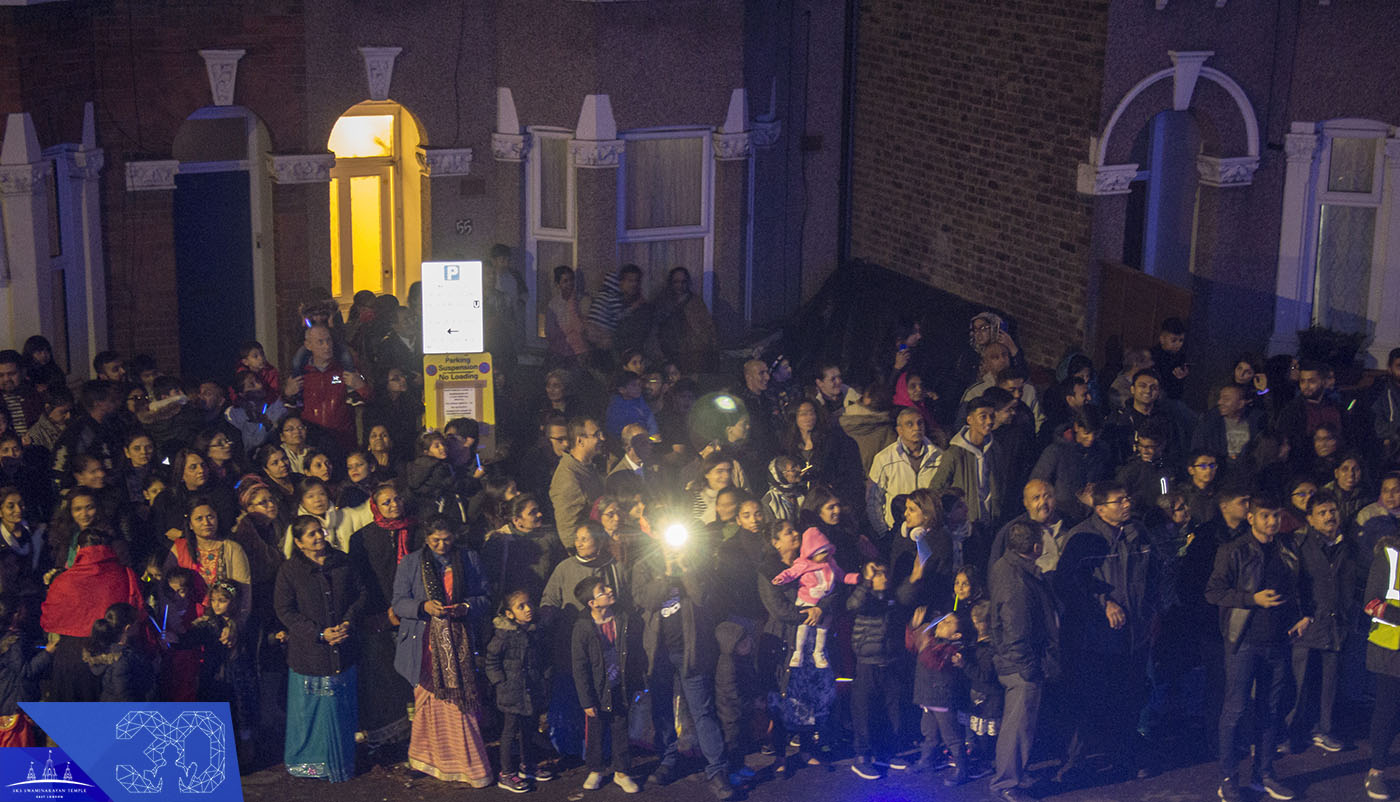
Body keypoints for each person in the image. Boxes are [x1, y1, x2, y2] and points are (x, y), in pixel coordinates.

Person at [1206, 496, 1309, 802]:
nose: (1272, 522)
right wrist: (1252, 599)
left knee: (1270, 709)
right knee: (1235, 709)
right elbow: (1213, 592)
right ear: (1251, 518)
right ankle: (1228, 778)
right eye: (1265, 516)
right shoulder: (1233, 550)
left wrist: (1306, 615)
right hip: (1244, 641)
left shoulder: (1287, 547)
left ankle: (1263, 774)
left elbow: (1300, 586)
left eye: (1276, 516)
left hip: (1278, 639)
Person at [1054, 480, 1157, 780]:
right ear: (1100, 508)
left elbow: (1153, 573)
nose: (1127, 504)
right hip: (1096, 639)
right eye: (1118, 500)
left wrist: (1152, 609)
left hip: (1134, 634)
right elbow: (1067, 583)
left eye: (1127, 498)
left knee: (1130, 698)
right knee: (1091, 701)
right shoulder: (1083, 537)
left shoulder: (1138, 533)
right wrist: (1104, 601)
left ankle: (1125, 757)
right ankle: (1075, 763)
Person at [632, 521, 733, 800]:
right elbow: (646, 601)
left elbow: (703, 598)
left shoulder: (696, 561)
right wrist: (665, 572)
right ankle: (667, 759)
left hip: (690, 650)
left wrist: (686, 568)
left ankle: (717, 769)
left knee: (702, 710)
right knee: (662, 708)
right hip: (657, 652)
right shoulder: (644, 565)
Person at [391, 517, 491, 786]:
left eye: (446, 539)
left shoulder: (468, 559)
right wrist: (424, 607)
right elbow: (399, 604)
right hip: (423, 645)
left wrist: (465, 608)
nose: (441, 545)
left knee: (460, 704)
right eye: (435, 540)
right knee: (426, 706)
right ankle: (425, 760)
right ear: (426, 539)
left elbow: (485, 597)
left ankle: (467, 766)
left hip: (459, 644)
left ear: (454, 537)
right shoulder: (411, 563)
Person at [275, 515, 364, 783]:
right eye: (311, 535)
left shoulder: (343, 562)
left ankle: (340, 763)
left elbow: (361, 594)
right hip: (310, 653)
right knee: (311, 712)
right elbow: (284, 610)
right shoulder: (290, 571)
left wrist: (349, 621)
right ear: (300, 543)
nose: (318, 538)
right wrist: (319, 633)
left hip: (343, 647)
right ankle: (309, 764)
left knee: (339, 709)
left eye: (320, 532)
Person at [988, 520, 1059, 802]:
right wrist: (1030, 668)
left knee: (1020, 724)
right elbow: (1016, 632)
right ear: (1036, 547)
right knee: (1017, 726)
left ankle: (1014, 774)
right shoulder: (1016, 581)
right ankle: (1006, 782)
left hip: (1017, 661)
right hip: (1020, 664)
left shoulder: (1008, 566)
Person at [1287, 490, 1360, 754]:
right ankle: (1289, 733)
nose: (1329, 517)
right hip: (1308, 624)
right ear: (1310, 519)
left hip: (1337, 623)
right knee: (1299, 682)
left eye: (1332, 511)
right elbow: (1293, 584)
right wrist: (1301, 615)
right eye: (1322, 513)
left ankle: (1323, 730)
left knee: (1330, 682)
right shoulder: (1300, 545)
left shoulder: (1347, 545)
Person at [346, 482, 417, 747]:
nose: (393, 505)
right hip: (379, 615)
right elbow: (360, 580)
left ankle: (420, 735)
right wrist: (378, 613)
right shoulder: (363, 538)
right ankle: (391, 737)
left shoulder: (416, 531)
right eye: (386, 502)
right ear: (375, 506)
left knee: (416, 675)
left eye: (397, 499)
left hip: (415, 612)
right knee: (385, 677)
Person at [39, 529, 144, 703]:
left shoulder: (63, 580)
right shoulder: (125, 574)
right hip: (111, 654)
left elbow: (48, 620)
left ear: (79, 549)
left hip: (70, 657)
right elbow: (137, 612)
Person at [571, 576, 641, 793]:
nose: (610, 590)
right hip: (597, 688)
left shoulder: (622, 617)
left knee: (620, 727)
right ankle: (596, 769)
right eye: (602, 590)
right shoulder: (583, 627)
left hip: (619, 684)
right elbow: (579, 666)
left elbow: (635, 651)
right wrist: (586, 700)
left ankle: (622, 771)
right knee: (596, 729)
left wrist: (636, 682)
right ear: (592, 603)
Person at [486, 589, 552, 793]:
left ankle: (528, 766)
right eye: (520, 606)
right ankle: (506, 774)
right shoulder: (504, 636)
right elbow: (491, 661)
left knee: (529, 730)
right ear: (509, 613)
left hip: (531, 689)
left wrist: (544, 678)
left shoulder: (534, 631)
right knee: (509, 731)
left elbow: (541, 659)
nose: (528, 609)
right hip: (511, 691)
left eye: (528, 604)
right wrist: (500, 683)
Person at [847, 561, 908, 779]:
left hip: (889, 661)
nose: (883, 578)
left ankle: (889, 752)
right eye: (878, 574)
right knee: (863, 710)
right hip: (866, 663)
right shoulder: (865, 597)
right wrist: (866, 580)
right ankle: (862, 757)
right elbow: (852, 605)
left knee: (892, 709)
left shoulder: (893, 599)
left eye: (885, 574)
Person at [771, 525, 859, 669]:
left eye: (826, 552)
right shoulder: (804, 564)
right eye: (821, 552)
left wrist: (854, 578)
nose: (825, 555)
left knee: (823, 628)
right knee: (803, 629)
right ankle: (798, 652)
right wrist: (781, 579)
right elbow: (791, 573)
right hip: (807, 601)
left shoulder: (830, 564)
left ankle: (818, 652)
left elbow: (841, 576)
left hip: (824, 604)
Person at [283, 325, 369, 453]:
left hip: (344, 444)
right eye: (320, 342)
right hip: (312, 445)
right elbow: (285, 409)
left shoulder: (346, 372)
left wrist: (361, 387)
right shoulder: (301, 376)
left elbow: (372, 400)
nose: (327, 346)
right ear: (308, 345)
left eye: (329, 340)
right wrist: (287, 394)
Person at [867, 407, 941, 538]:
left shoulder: (938, 456)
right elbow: (874, 500)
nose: (916, 428)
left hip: (930, 532)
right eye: (909, 424)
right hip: (897, 531)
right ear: (899, 430)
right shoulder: (885, 459)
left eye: (920, 423)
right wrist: (884, 532)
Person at [931, 396, 1004, 526]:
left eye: (992, 416)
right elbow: (937, 487)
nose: (989, 421)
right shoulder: (954, 453)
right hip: (966, 522)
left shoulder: (995, 449)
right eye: (983, 416)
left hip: (991, 520)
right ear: (969, 419)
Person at [550, 418, 605, 552]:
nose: (602, 438)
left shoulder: (587, 468)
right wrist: (581, 558)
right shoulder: (568, 477)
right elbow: (568, 529)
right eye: (596, 435)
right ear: (580, 440)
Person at [83, 602, 156, 702]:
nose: (139, 625)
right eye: (137, 623)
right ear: (128, 628)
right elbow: (124, 694)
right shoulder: (122, 659)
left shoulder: (110, 651)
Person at [989, 479, 1066, 575]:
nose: (1043, 502)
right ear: (1026, 503)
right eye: (1036, 498)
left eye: (1048, 496)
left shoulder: (1070, 525)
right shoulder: (1013, 531)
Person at [655, 266, 718, 374]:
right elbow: (656, 329)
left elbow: (708, 328)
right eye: (676, 282)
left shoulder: (696, 303)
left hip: (695, 356)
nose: (680, 286)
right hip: (670, 355)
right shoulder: (663, 302)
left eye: (683, 282)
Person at [545, 266, 588, 365]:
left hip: (578, 354)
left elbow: (583, 329)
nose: (570, 283)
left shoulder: (582, 301)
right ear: (557, 284)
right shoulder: (553, 304)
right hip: (558, 353)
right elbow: (550, 332)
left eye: (572, 280)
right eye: (565, 281)